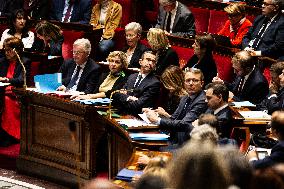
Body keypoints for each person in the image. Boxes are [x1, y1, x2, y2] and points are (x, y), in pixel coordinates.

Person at [144, 68, 207, 146]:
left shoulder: (202, 100)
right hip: (174, 137)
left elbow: (184, 124)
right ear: (184, 83)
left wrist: (158, 120)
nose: (191, 83)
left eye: (195, 80)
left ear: (202, 83)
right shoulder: (184, 98)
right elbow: (173, 118)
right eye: (188, 80)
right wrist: (154, 114)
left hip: (187, 144)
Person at [0, 37, 31, 146]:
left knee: (6, 100)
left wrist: (7, 80)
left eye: (9, 50)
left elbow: (21, 80)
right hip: (2, 90)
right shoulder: (2, 60)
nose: (7, 53)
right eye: (5, 50)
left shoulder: (24, 62)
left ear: (17, 50)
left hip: (16, 94)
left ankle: (10, 135)